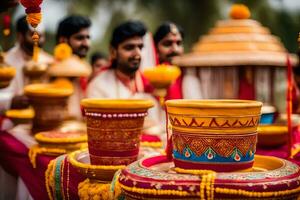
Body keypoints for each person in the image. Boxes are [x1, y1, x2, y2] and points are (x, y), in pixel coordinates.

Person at [87, 20, 160, 122]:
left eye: (140, 47)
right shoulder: (98, 85)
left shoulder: (150, 83)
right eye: (129, 48)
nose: (137, 53)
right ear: (113, 52)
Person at [1, 15, 53, 110]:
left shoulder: (50, 62)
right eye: (33, 35)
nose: (38, 41)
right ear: (20, 36)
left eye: (41, 36)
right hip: (13, 119)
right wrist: (11, 101)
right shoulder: (5, 61)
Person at [55, 15, 92, 119]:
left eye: (88, 37)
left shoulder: (86, 69)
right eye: (80, 38)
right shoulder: (51, 70)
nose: (86, 43)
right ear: (63, 40)